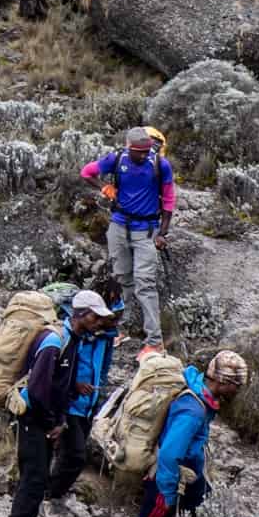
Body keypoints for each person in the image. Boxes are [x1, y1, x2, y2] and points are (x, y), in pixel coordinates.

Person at [99, 350, 249, 517]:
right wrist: (168, 495)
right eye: (236, 384)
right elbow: (170, 454)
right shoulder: (193, 410)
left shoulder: (199, 396)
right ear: (221, 381)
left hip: (191, 478)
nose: (238, 390)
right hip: (167, 481)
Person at [0, 290, 121, 517]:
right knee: (33, 479)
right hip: (33, 418)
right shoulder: (56, 342)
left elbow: (61, 387)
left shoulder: (72, 340)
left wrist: (61, 421)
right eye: (94, 316)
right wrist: (52, 423)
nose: (98, 322)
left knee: (38, 477)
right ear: (80, 314)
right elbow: (39, 390)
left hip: (45, 419)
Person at [81, 128, 175, 357]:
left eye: (146, 152)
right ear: (128, 148)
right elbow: (86, 172)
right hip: (119, 226)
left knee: (145, 284)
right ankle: (124, 328)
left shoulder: (160, 165)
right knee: (123, 278)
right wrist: (104, 187)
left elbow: (169, 200)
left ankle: (154, 341)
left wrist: (163, 233)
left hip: (146, 230)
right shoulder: (117, 159)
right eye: (138, 153)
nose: (143, 156)